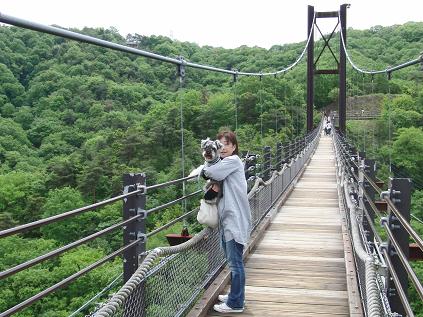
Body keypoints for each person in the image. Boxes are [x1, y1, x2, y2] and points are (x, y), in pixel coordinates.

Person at [202, 129, 251, 314]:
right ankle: (235, 295)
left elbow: (209, 172)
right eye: (220, 145)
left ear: (234, 147)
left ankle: (236, 303)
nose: (223, 148)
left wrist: (206, 170)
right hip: (228, 219)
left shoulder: (233, 161)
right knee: (233, 261)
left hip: (234, 219)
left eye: (227, 144)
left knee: (235, 263)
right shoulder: (227, 162)